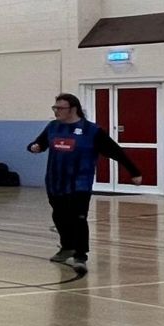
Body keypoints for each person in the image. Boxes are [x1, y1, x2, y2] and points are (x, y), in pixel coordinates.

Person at [28, 93, 139, 271]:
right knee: (59, 216)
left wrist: (134, 172)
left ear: (73, 109)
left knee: (78, 219)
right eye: (54, 108)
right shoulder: (53, 127)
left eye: (60, 108)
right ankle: (67, 247)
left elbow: (116, 151)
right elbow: (38, 143)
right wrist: (34, 147)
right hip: (55, 182)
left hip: (79, 183)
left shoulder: (91, 131)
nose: (56, 111)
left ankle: (80, 256)